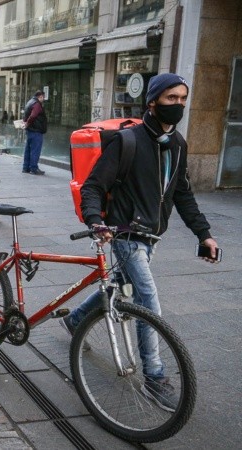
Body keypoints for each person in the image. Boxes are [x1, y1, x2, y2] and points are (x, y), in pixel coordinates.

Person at [61, 73, 220, 412]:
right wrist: (95, 221)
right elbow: (93, 186)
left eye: (182, 99)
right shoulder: (127, 141)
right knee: (147, 297)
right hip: (125, 233)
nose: (177, 105)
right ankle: (154, 376)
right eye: (170, 99)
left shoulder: (177, 144)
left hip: (152, 235)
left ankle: (75, 320)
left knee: (119, 282)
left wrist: (203, 234)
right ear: (152, 101)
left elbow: (182, 193)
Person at [22, 90, 47, 175]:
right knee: (35, 150)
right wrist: (28, 123)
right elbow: (33, 115)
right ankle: (34, 168)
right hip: (36, 130)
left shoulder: (30, 102)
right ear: (40, 96)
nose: (43, 99)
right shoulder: (37, 104)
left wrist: (26, 123)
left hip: (30, 130)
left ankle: (26, 168)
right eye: (43, 97)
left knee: (28, 149)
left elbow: (26, 115)